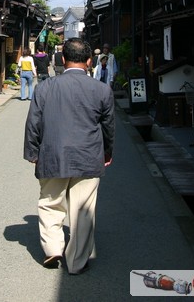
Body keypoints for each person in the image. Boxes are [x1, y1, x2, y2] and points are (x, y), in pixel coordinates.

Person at [23, 37, 115, 275]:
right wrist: (107, 152)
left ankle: (53, 248)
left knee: (51, 204)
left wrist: (33, 152)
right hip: (88, 155)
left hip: (52, 155)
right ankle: (76, 261)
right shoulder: (102, 90)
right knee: (83, 210)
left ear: (63, 60)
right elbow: (108, 127)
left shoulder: (45, 88)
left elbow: (33, 123)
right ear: (89, 61)